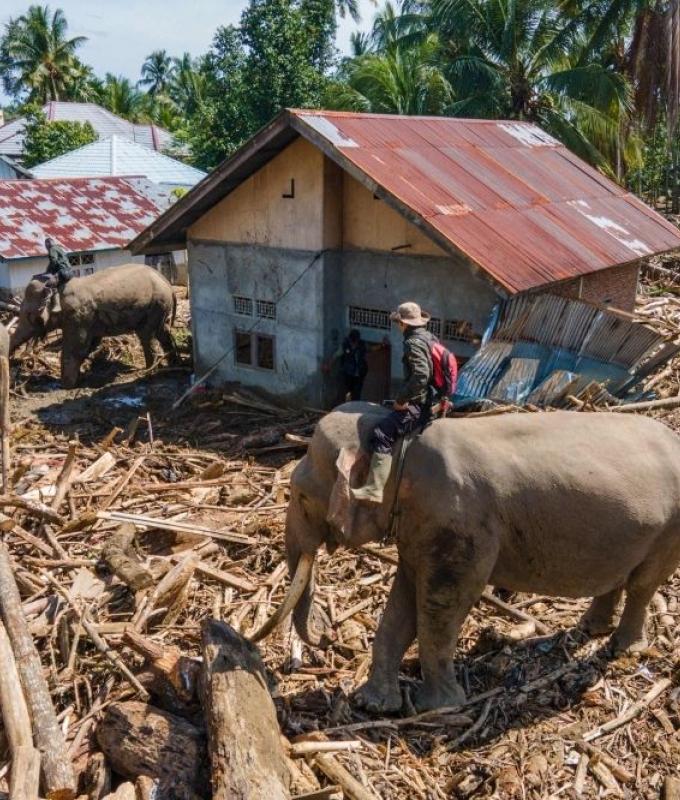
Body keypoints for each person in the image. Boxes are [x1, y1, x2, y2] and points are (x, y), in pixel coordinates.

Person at [352, 301, 435, 504]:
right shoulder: (429, 337)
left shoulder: (412, 342)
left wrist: (401, 400)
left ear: (403, 324)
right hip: (431, 399)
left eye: (398, 322)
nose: (398, 326)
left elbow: (421, 376)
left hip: (418, 404)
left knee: (382, 434)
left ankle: (374, 489)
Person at [339, 329, 368, 401]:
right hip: (348, 374)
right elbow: (337, 354)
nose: (354, 344)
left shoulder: (362, 346)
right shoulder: (346, 345)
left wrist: (381, 345)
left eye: (355, 342)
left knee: (357, 393)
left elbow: (370, 348)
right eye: (352, 342)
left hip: (359, 375)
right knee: (347, 391)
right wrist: (329, 364)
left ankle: (355, 405)